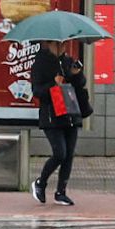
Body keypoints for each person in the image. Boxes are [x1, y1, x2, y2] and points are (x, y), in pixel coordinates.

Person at [30, 40, 90, 206]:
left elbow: (80, 84)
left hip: (70, 113)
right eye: (58, 45)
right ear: (49, 45)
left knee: (69, 155)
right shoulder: (40, 63)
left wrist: (76, 74)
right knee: (60, 153)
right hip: (52, 116)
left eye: (64, 44)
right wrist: (53, 84)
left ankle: (61, 192)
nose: (62, 48)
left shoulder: (68, 61)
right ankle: (40, 183)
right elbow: (37, 91)